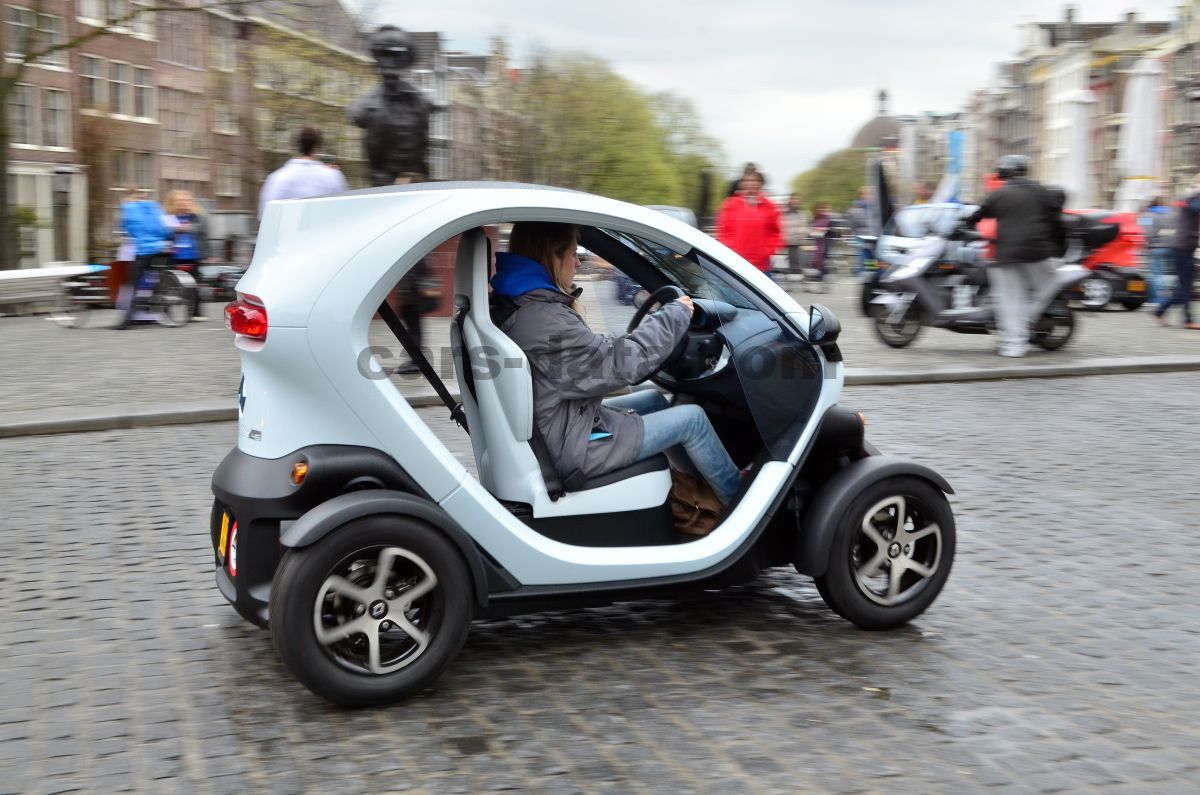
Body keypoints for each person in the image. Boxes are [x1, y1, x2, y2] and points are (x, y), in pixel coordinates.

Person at [490, 222, 743, 506]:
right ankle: (740, 507)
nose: (577, 263)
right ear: (551, 257)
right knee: (693, 420)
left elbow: (588, 354)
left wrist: (635, 336)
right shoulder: (545, 319)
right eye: (573, 254)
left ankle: (705, 491)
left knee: (655, 400)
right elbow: (621, 366)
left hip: (559, 425)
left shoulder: (525, 305)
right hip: (571, 447)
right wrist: (674, 315)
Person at [965, 154, 1066, 357]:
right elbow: (1057, 222)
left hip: (1006, 255)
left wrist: (965, 224)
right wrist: (1059, 249)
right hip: (1037, 252)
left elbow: (979, 214)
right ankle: (1028, 317)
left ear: (1003, 173)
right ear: (1024, 170)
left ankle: (1013, 346)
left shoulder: (1000, 193)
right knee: (1051, 281)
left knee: (1009, 299)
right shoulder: (1041, 191)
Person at [258, 127, 348, 218]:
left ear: (297, 147)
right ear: (317, 148)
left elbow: (266, 217)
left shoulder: (276, 178)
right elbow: (344, 213)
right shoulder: (333, 176)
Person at [115, 189, 169, 329]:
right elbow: (166, 229)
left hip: (142, 251)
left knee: (133, 283)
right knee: (156, 281)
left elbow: (124, 228)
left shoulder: (128, 208)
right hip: (160, 249)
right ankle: (161, 312)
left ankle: (128, 319)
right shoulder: (156, 208)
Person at [1154, 178, 1200, 330]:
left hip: (1185, 248)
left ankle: (1161, 310)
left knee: (1185, 287)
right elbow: (1196, 207)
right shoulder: (1191, 199)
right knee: (1185, 287)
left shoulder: (1191, 198)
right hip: (1182, 248)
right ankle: (1187, 320)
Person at [716, 171, 782, 275]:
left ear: (760, 184)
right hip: (736, 264)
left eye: (754, 180)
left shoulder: (769, 206)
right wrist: (732, 251)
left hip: (762, 267)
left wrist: (766, 252)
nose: (751, 183)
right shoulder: (731, 204)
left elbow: (776, 233)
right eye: (747, 180)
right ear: (741, 184)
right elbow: (723, 232)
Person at [163, 190, 208, 322]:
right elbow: (164, 232)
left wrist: (189, 228)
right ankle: (165, 313)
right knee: (169, 285)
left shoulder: (198, 217)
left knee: (194, 285)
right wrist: (175, 229)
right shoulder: (168, 217)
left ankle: (194, 312)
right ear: (172, 203)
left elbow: (202, 232)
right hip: (173, 256)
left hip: (193, 256)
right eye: (179, 201)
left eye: (186, 201)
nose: (183, 203)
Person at [1140, 197, 1174, 307]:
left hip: (1155, 247)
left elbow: (1144, 231)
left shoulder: (1147, 215)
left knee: (1154, 274)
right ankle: (1165, 297)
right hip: (1170, 247)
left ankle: (1156, 299)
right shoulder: (1171, 214)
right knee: (1164, 274)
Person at [845, 186, 876, 277]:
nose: (869, 196)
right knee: (865, 264)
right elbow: (852, 226)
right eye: (866, 194)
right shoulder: (855, 210)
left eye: (871, 194)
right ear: (861, 196)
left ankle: (870, 282)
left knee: (872, 267)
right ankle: (865, 281)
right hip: (863, 242)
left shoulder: (876, 209)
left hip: (874, 242)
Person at [782, 195, 810, 277]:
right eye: (793, 199)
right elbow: (782, 226)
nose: (795, 201)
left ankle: (799, 281)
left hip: (799, 242)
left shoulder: (803, 214)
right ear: (789, 201)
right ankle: (792, 281)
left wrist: (802, 234)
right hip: (789, 242)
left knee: (800, 264)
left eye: (797, 199)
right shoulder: (784, 214)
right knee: (792, 265)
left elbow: (806, 227)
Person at [807, 203, 833, 289]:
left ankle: (824, 282)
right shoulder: (815, 219)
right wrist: (813, 231)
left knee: (823, 263)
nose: (821, 211)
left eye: (823, 209)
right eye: (819, 209)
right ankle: (822, 280)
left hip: (825, 244)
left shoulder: (829, 220)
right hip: (817, 243)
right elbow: (811, 230)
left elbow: (832, 232)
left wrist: (826, 230)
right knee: (817, 262)